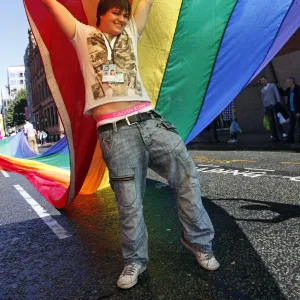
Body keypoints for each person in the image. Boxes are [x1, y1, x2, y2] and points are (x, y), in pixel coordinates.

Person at [41, 0, 220, 289]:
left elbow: (146, 2)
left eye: (126, 14)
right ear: (101, 14)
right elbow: (51, 6)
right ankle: (134, 261)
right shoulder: (83, 35)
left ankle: (199, 242)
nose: (123, 19)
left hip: (150, 121)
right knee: (129, 203)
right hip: (116, 133)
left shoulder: (131, 32)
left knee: (187, 175)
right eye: (117, 13)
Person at [260, 76, 287, 142]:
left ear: (266, 80)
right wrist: (264, 108)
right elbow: (263, 99)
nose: (263, 81)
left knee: (277, 120)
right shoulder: (262, 90)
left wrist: (278, 103)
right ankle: (274, 135)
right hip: (267, 106)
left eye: (264, 80)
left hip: (274, 105)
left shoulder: (272, 86)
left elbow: (276, 94)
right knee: (271, 122)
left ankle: (283, 133)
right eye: (262, 81)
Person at [278, 77, 300, 143]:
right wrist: (279, 88)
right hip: (291, 110)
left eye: (287, 82)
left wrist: (299, 111)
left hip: (297, 111)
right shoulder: (289, 89)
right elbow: (283, 94)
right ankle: (290, 139)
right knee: (291, 125)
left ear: (291, 82)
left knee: (299, 125)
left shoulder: (298, 89)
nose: (287, 83)